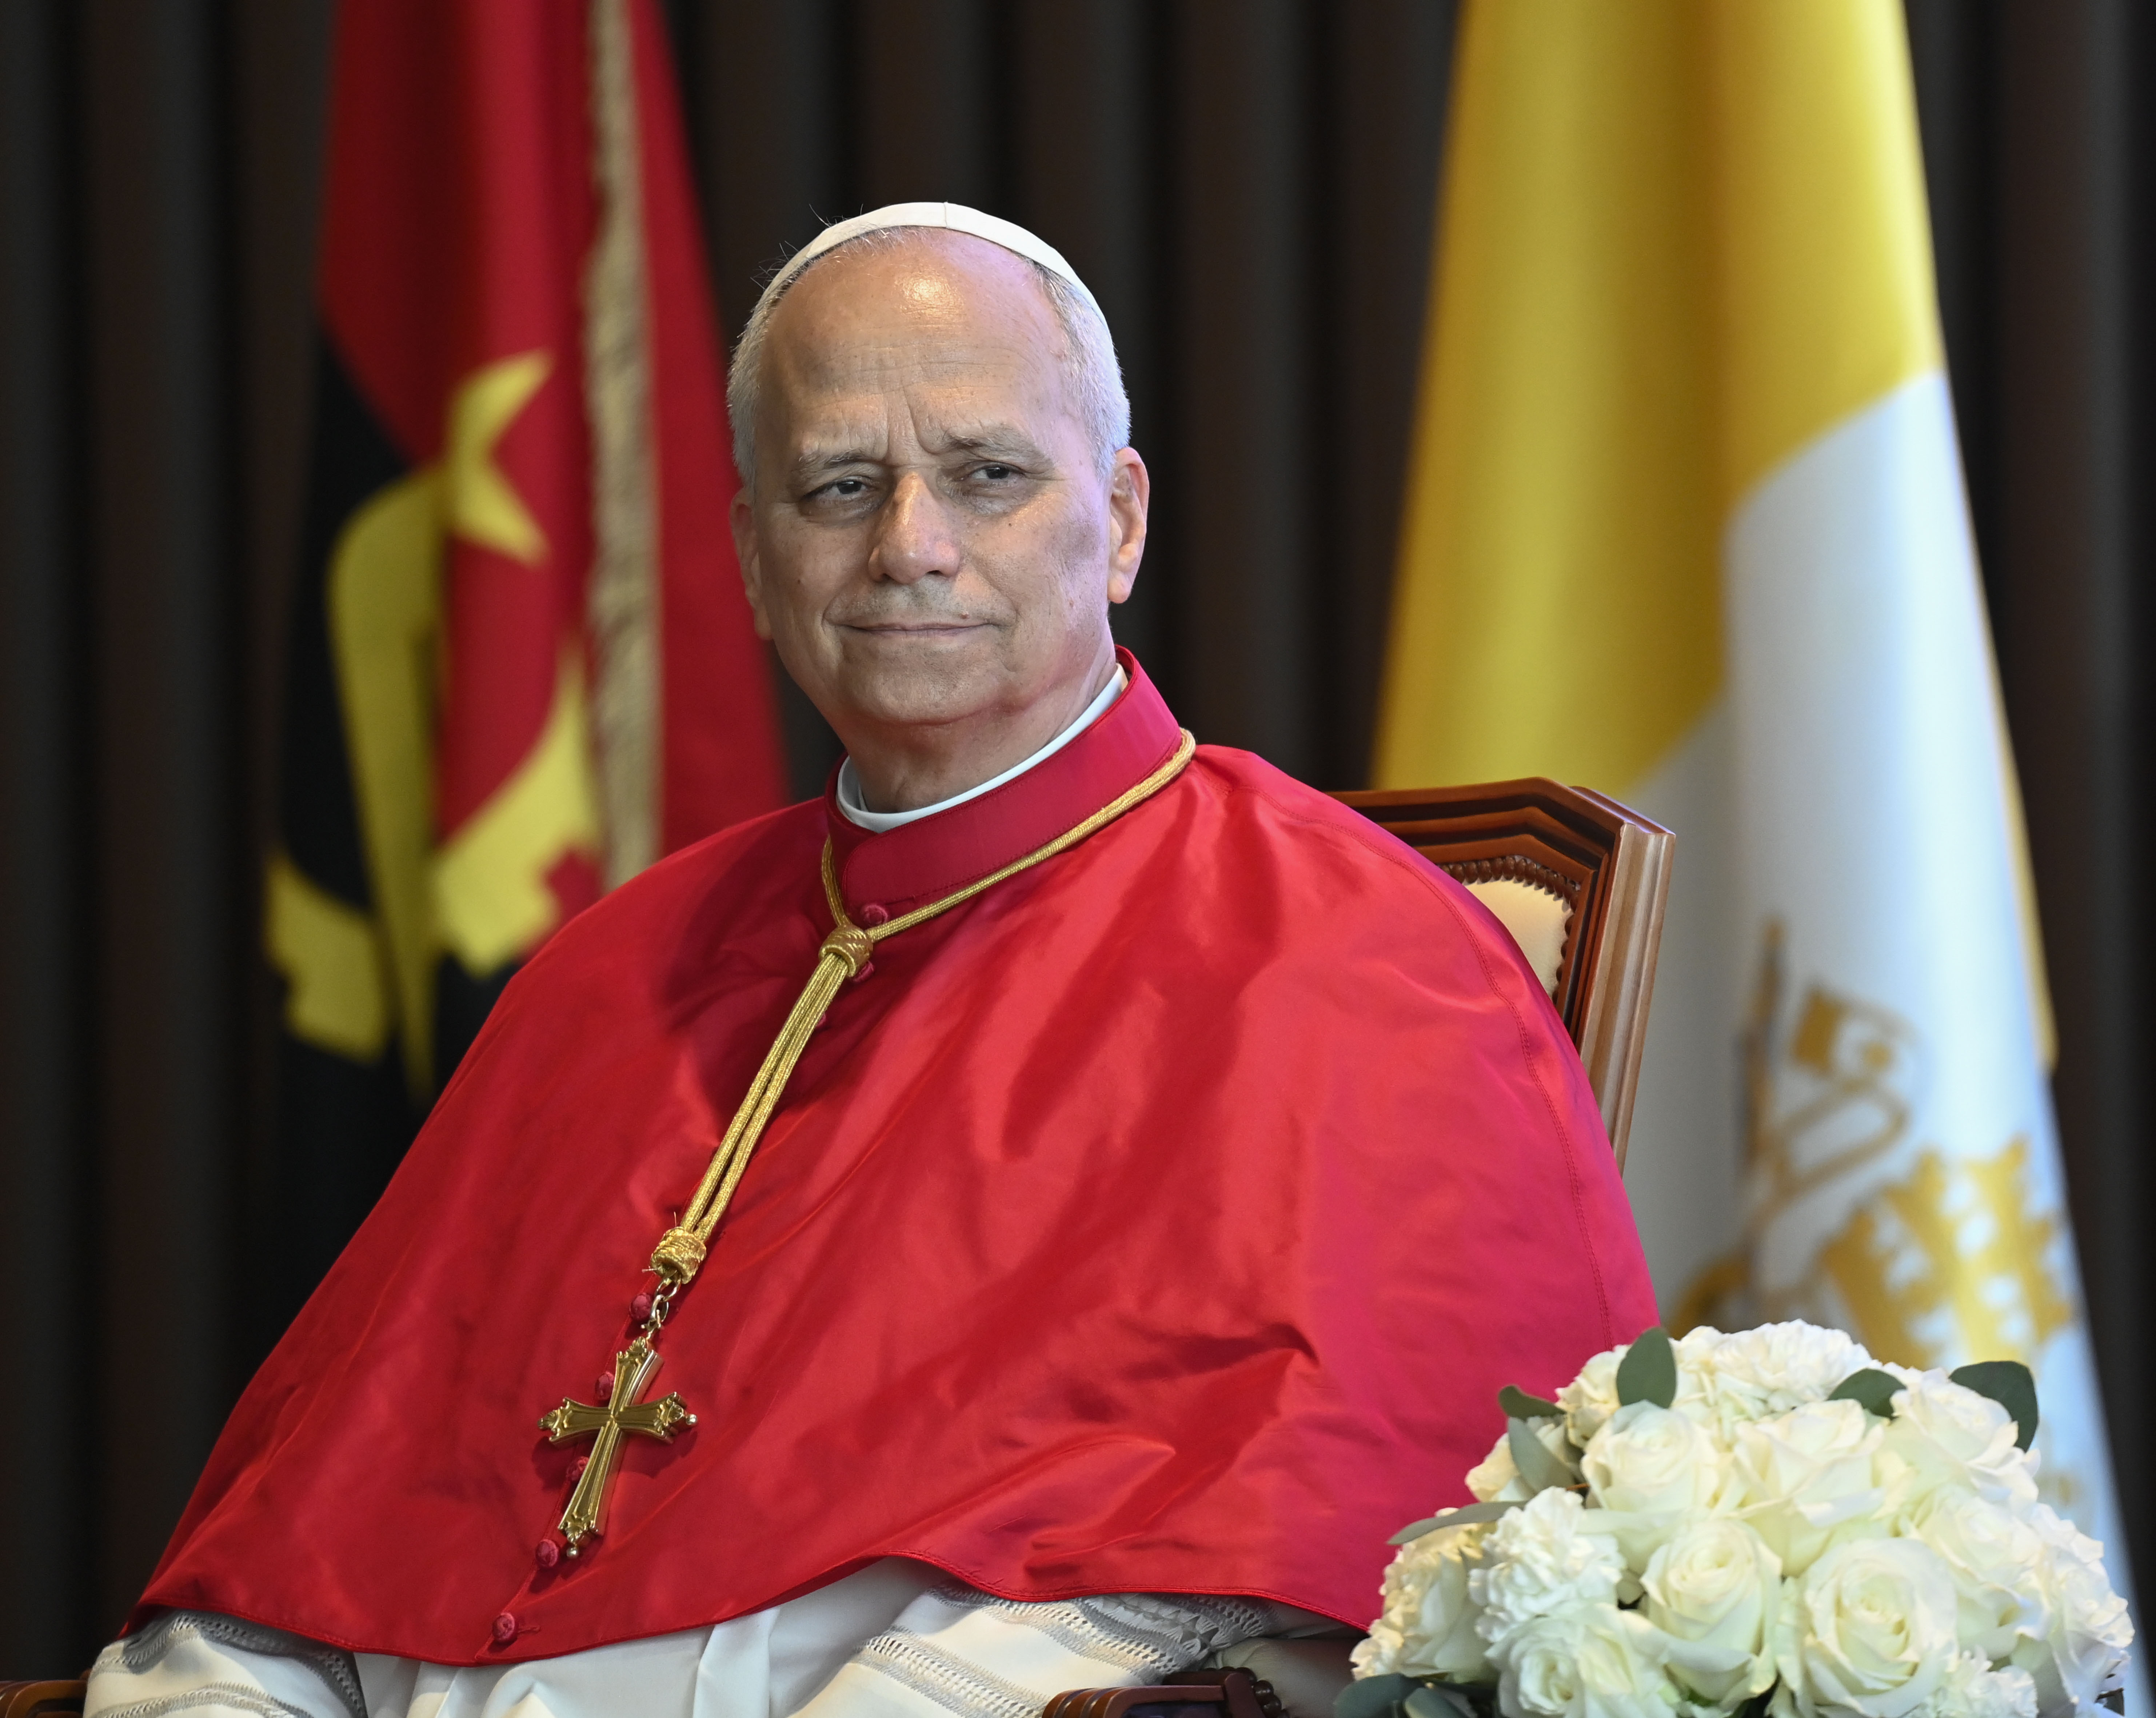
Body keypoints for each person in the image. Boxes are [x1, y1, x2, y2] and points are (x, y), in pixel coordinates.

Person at [88, 204, 1656, 1718]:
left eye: (986, 476)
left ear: (1115, 521)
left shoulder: (1354, 954)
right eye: (838, 487)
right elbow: (322, 1525)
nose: (911, 545)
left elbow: (1327, 1538)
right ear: (752, 554)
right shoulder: (611, 974)